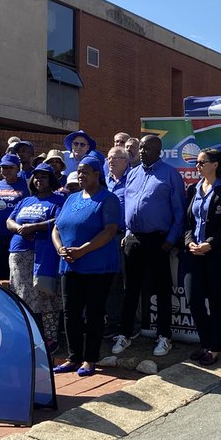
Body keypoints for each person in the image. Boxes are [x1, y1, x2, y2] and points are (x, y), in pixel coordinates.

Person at [115, 134, 186, 357]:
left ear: (159, 151)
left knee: (162, 290)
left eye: (147, 148)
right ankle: (125, 334)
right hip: (134, 239)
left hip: (158, 240)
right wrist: (127, 232)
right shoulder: (133, 173)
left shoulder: (170, 175)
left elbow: (179, 212)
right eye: (141, 148)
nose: (142, 151)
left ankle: (164, 337)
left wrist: (170, 241)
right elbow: (128, 204)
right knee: (131, 290)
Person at [52, 152, 122, 378]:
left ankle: (90, 359)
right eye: (78, 172)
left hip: (97, 267)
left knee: (93, 314)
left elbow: (110, 231)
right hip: (70, 266)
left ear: (96, 175)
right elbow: (56, 227)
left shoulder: (108, 198)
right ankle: (73, 358)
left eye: (85, 172)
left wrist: (82, 250)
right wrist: (60, 249)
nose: (80, 175)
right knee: (70, 314)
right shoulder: (71, 198)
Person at [182, 148, 221, 367]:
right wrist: (189, 242)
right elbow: (188, 222)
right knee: (193, 299)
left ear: (215, 165)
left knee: (217, 302)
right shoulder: (193, 189)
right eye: (197, 163)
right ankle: (205, 342)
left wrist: (210, 244)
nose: (197, 166)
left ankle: (214, 348)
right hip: (194, 253)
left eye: (201, 162)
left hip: (218, 254)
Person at [7, 164, 65, 352]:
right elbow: (10, 220)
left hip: (44, 254)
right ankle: (27, 336)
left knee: (46, 295)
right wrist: (19, 228)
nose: (40, 180)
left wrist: (35, 227)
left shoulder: (59, 200)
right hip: (19, 253)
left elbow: (59, 220)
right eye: (37, 177)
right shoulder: (25, 201)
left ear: (52, 180)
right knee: (22, 296)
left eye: (44, 177)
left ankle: (50, 338)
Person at [0, 153, 28, 280]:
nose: (7, 170)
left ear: (17, 168)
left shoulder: (26, 185)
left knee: (16, 274)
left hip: (17, 237)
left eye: (10, 167)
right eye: (4, 167)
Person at [103, 146, 131, 341]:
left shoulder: (133, 180)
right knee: (110, 283)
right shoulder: (103, 181)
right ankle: (112, 323)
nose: (111, 161)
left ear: (126, 161)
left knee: (128, 283)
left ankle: (131, 323)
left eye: (116, 158)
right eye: (109, 157)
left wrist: (129, 233)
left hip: (124, 237)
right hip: (104, 239)